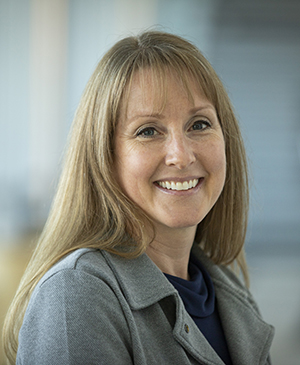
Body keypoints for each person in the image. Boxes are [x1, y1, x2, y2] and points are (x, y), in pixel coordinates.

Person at [3, 31, 274, 365]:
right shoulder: (76, 294)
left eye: (199, 124)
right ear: (105, 156)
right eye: (148, 131)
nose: (181, 155)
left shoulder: (230, 292)